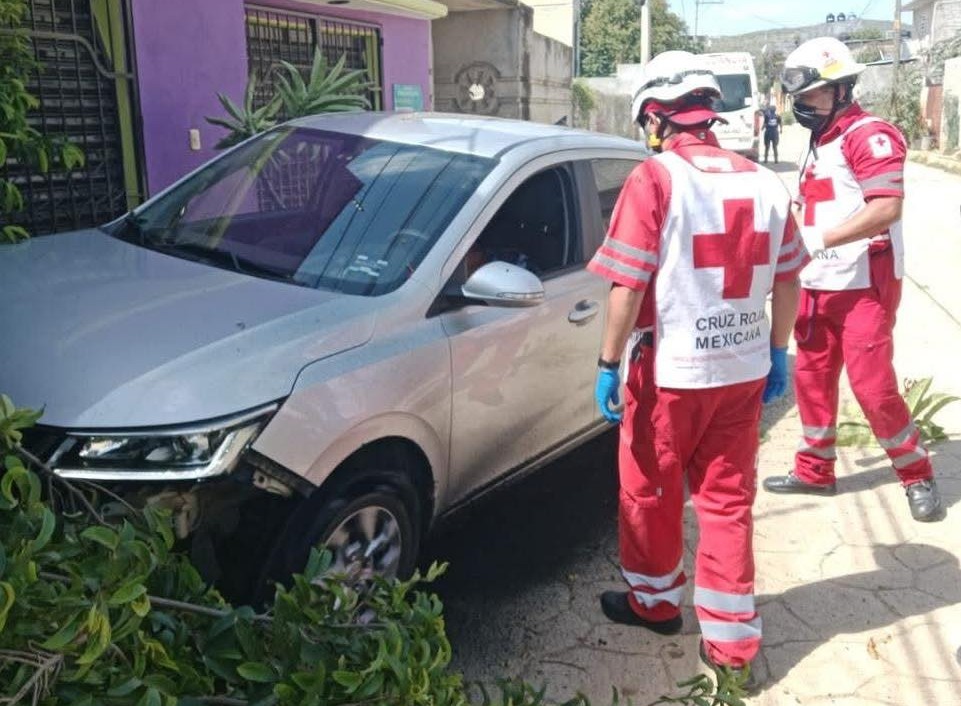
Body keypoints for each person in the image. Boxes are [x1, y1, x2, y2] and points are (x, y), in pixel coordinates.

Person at [588, 50, 806, 686]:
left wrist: (607, 362)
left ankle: (655, 605)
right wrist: (778, 350)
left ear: (655, 118)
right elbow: (789, 278)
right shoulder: (764, 182)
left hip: (670, 374)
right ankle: (732, 650)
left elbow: (627, 286)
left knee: (651, 492)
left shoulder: (655, 179)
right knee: (727, 501)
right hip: (740, 371)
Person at [762, 37, 943, 523]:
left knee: (873, 388)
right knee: (812, 379)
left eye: (812, 95)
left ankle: (916, 473)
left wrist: (821, 237)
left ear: (842, 90)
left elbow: (886, 207)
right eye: (799, 98)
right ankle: (814, 470)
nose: (802, 105)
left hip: (864, 283)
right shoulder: (820, 139)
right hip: (816, 283)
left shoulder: (870, 134)